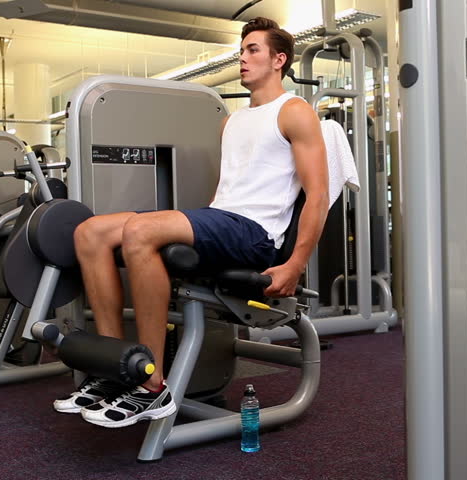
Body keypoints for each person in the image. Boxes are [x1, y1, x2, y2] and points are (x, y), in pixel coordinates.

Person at [54, 17, 329, 428]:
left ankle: (150, 383)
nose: (243, 57)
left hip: (255, 234)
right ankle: (114, 369)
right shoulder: (230, 122)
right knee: (90, 232)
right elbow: (227, 191)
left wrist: (295, 264)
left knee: (139, 231)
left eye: (253, 49)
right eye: (242, 50)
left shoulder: (294, 112)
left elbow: (319, 195)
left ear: (279, 60)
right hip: (222, 219)